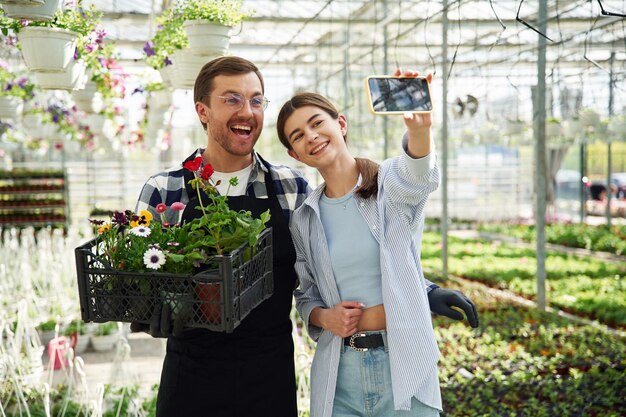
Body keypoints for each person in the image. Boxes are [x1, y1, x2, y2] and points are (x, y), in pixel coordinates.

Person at [134, 56, 477, 417]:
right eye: (231, 99)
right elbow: (137, 281)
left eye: (255, 100)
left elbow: (344, 263)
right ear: (202, 111)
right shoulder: (164, 190)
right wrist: (149, 310)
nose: (246, 111)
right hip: (191, 374)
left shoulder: (291, 188)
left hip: (268, 375)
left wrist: (426, 291)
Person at [276, 71, 469, 417]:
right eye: (299, 136)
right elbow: (306, 294)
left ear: (342, 123)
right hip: (340, 378)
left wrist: (419, 130)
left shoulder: (387, 188)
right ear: (296, 155)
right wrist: (324, 316)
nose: (312, 137)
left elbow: (418, 175)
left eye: (317, 123)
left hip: (403, 369)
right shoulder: (304, 219)